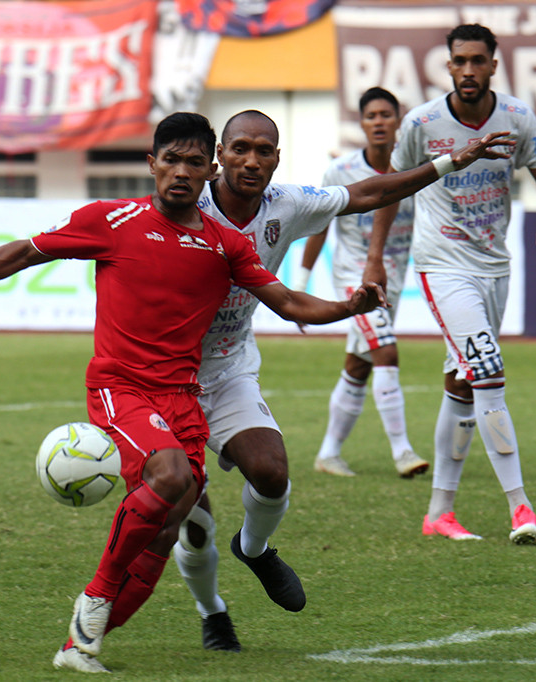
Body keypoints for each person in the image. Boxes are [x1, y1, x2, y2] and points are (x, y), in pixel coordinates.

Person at [0, 112, 389, 674]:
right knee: (168, 478)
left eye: (194, 163)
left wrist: (347, 307)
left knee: (170, 526)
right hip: (120, 387)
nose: (181, 172)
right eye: (171, 160)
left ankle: (81, 643)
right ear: (152, 164)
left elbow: (288, 302)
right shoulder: (111, 220)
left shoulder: (224, 243)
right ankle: (96, 598)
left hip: (183, 396)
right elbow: (27, 251)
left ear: (209, 171)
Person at [174, 108, 517, 652]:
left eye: (264, 150)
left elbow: (368, 193)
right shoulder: (184, 205)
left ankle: (255, 549)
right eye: (240, 148)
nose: (251, 160)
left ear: (277, 158)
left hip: (230, 367)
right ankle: (212, 611)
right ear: (220, 155)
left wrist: (450, 162)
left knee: (272, 473)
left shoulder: (286, 204)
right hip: (167, 378)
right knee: (193, 522)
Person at [366, 24, 536, 545]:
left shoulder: (517, 117)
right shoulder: (422, 123)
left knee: (461, 383)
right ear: (449, 66)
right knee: (489, 372)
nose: (469, 70)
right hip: (443, 265)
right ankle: (520, 506)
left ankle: (439, 513)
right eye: (460, 61)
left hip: (495, 266)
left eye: (478, 60)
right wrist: (375, 258)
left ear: (493, 65)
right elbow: (391, 189)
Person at [295, 87, 425, 479]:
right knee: (385, 351)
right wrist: (301, 283)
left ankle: (328, 454)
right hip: (355, 276)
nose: (379, 122)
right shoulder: (341, 171)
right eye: (371, 116)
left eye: (386, 114)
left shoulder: (415, 169)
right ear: (362, 123)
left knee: (359, 364)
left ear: (399, 121)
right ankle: (403, 452)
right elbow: (319, 226)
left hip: (393, 274)